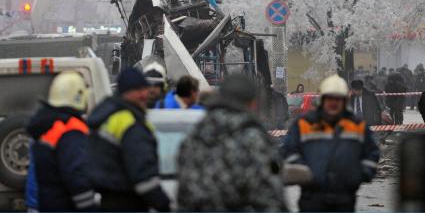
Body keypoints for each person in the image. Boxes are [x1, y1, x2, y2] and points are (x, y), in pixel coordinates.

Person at [177, 74, 287, 211]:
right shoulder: (252, 139)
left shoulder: (194, 136)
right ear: (252, 103)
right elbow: (269, 198)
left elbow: (183, 194)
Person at [281, 74, 380, 212]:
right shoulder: (304, 123)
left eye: (338, 99)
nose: (334, 103)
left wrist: (360, 174)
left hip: (345, 198)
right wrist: (305, 172)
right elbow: (289, 151)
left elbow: (372, 153)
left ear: (345, 100)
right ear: (322, 99)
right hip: (312, 198)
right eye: (330, 98)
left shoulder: (357, 125)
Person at [87, 68, 170, 211]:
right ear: (126, 92)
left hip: (107, 201)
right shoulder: (130, 122)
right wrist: (165, 205)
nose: (145, 93)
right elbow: (143, 175)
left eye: (145, 88)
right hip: (128, 202)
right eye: (139, 89)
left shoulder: (107, 115)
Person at [26, 71, 97, 211]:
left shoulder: (44, 125)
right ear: (79, 96)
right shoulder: (70, 128)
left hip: (41, 203)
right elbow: (76, 175)